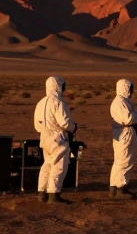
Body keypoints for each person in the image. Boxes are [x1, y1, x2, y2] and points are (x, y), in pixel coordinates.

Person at [33, 75, 77, 204]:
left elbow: (37, 125)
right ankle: (53, 194)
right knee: (58, 166)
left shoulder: (41, 102)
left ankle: (41, 192)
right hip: (57, 138)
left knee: (47, 164)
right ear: (57, 86)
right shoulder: (58, 102)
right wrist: (74, 127)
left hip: (44, 137)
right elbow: (64, 123)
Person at [109, 78, 137, 199]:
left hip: (124, 132)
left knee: (119, 161)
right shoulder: (120, 102)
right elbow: (128, 119)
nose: (132, 91)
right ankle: (121, 189)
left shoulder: (123, 101)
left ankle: (114, 187)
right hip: (124, 133)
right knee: (125, 161)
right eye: (130, 88)